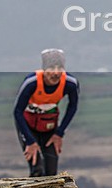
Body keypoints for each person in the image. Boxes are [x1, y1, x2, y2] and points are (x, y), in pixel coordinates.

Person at [13, 48, 80, 177]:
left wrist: (59, 133)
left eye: (59, 68)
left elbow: (73, 107)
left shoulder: (70, 84)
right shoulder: (31, 83)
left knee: (51, 172)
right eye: (51, 68)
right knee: (37, 168)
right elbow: (17, 111)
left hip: (49, 125)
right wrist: (30, 141)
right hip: (27, 125)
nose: (55, 73)